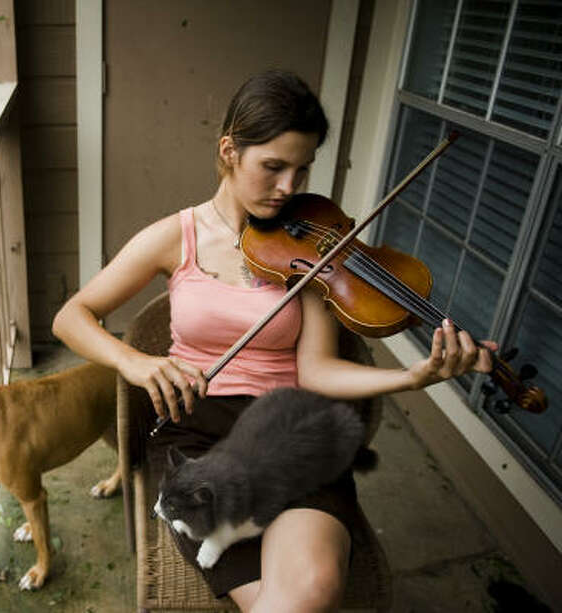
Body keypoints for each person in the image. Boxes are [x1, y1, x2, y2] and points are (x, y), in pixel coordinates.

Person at [52, 70, 494, 612]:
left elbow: (316, 371)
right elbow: (71, 316)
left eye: (302, 168)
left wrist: (413, 376)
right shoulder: (177, 236)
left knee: (311, 589)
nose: (290, 187)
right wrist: (136, 362)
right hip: (199, 436)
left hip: (290, 435)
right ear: (229, 151)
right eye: (273, 166)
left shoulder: (310, 245)